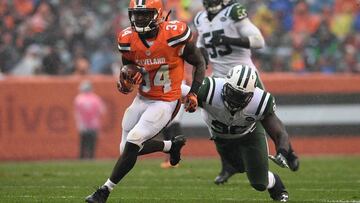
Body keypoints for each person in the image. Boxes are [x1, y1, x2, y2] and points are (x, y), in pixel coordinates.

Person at [85, 0, 206, 202]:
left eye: (145, 14)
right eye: (136, 14)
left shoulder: (175, 34)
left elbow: (199, 62)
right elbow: (128, 70)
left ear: (158, 15)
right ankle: (170, 146)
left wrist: (193, 92)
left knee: (134, 140)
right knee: (126, 150)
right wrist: (125, 83)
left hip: (165, 100)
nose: (139, 18)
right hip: (142, 98)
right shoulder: (127, 39)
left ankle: (104, 191)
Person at [197, 64, 299, 202]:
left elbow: (279, 133)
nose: (235, 100)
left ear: (252, 94)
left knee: (259, 183)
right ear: (225, 85)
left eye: (241, 96)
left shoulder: (260, 102)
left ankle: (277, 188)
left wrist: (282, 152)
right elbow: (179, 92)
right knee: (239, 167)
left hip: (249, 136)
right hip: (221, 138)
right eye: (233, 93)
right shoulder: (208, 89)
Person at [193, 0, 267, 184]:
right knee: (212, 120)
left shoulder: (234, 11)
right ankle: (228, 164)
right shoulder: (201, 18)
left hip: (246, 78)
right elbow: (201, 42)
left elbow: (259, 41)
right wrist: (200, 56)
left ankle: (280, 153)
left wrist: (229, 40)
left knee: (260, 117)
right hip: (220, 78)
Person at [74, 80, 106, 159]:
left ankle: (81, 158)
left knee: (83, 143)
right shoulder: (96, 98)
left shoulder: (78, 99)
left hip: (83, 125)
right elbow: (102, 111)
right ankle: (91, 158)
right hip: (94, 124)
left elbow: (77, 113)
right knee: (92, 143)